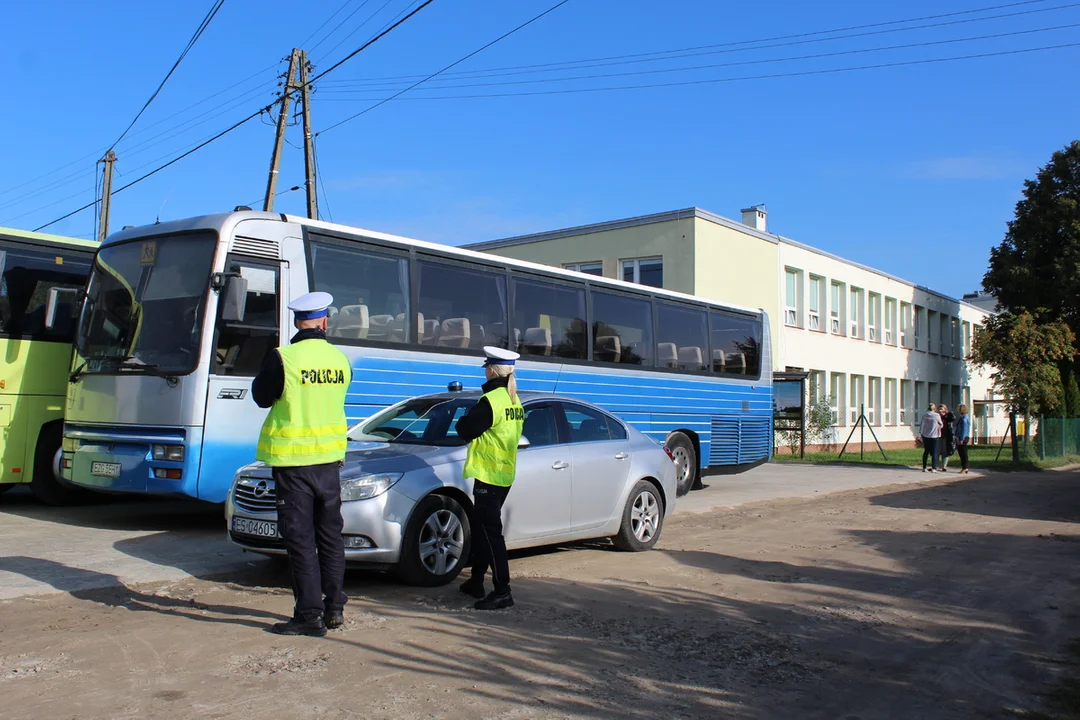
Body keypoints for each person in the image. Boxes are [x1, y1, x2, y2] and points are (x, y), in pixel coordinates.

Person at [252, 291, 353, 637]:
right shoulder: (341, 360)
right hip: (329, 462)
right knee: (330, 536)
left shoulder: (284, 358)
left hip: (294, 464)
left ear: (297, 322)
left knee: (300, 540)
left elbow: (261, 397)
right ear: (325, 322)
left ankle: (309, 615)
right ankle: (335, 607)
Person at [454, 346, 525, 611]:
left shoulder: (491, 401)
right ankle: (475, 581)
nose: (485, 371)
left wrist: (464, 417)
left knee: (491, 533)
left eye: (486, 367)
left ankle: (502, 590)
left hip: (488, 475)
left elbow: (465, 430)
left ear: (492, 370)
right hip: (504, 474)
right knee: (484, 530)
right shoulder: (513, 400)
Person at [920, 402, 942, 472]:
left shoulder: (925, 415)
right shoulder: (936, 415)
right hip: (935, 435)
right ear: (934, 408)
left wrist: (921, 433)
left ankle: (924, 467)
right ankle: (934, 468)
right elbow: (941, 424)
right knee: (935, 451)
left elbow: (922, 425)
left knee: (926, 451)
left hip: (926, 435)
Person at [938, 404, 956, 471]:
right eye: (939, 409)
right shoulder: (937, 416)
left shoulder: (948, 416)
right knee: (938, 451)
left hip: (946, 436)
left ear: (945, 409)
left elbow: (953, 418)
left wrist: (946, 415)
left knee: (945, 451)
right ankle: (935, 465)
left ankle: (944, 466)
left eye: (942, 409)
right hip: (938, 435)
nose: (940, 410)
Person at [955, 404, 971, 474]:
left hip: (963, 437)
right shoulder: (963, 417)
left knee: (963, 453)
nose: (958, 410)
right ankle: (964, 467)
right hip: (962, 437)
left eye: (959, 409)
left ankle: (965, 467)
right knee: (961, 452)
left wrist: (961, 438)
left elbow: (964, 429)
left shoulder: (964, 418)